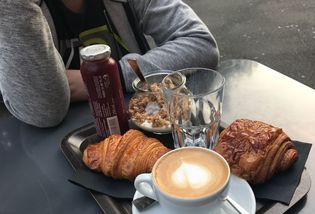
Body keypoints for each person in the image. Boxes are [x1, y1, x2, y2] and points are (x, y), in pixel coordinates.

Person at [0, 0, 219, 128]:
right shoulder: (14, 11)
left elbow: (201, 44)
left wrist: (106, 78)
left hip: (144, 126)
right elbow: (44, 109)